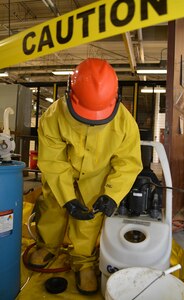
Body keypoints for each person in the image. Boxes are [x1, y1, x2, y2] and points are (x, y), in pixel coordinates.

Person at [29, 58, 143, 295]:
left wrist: (112, 195)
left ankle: (83, 261)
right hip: (62, 173)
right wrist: (67, 197)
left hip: (97, 177)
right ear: (70, 93)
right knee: (52, 207)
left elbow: (128, 163)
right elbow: (53, 160)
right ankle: (47, 245)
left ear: (115, 99)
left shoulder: (125, 123)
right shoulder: (53, 117)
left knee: (89, 218)